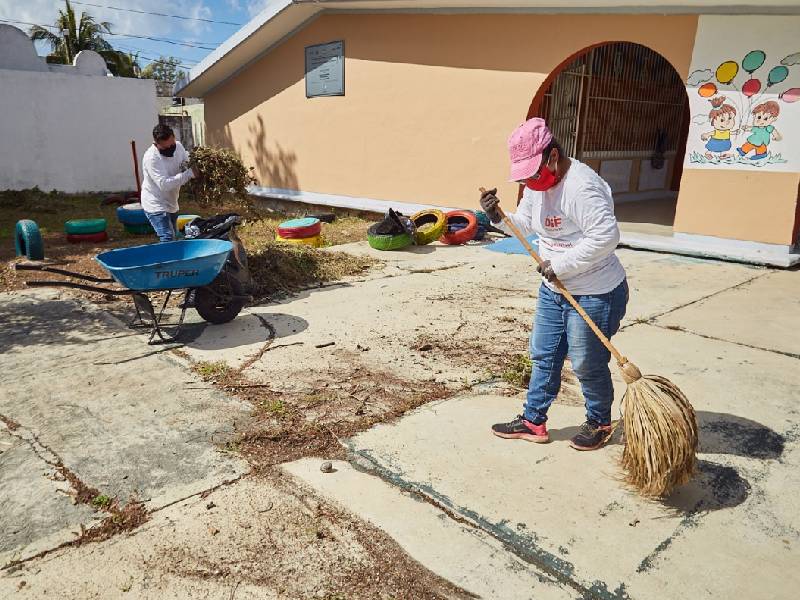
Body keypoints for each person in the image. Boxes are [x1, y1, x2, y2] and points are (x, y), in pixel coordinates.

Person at [480, 117, 628, 451]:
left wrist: (559, 264)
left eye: (534, 172)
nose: (531, 180)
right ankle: (533, 421)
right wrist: (497, 217)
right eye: (525, 175)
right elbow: (525, 225)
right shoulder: (537, 186)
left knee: (586, 361)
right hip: (554, 289)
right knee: (544, 355)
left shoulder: (581, 187)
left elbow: (607, 236)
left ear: (553, 156)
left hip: (595, 292)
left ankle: (600, 421)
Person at [140, 124, 199, 242]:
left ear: (174, 137)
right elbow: (164, 184)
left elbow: (187, 161)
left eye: (172, 144)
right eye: (166, 148)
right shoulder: (151, 158)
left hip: (172, 202)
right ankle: (166, 260)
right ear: (156, 143)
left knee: (174, 236)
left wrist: (197, 164)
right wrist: (189, 174)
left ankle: (174, 258)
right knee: (168, 237)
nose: (171, 149)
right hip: (155, 203)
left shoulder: (178, 147)